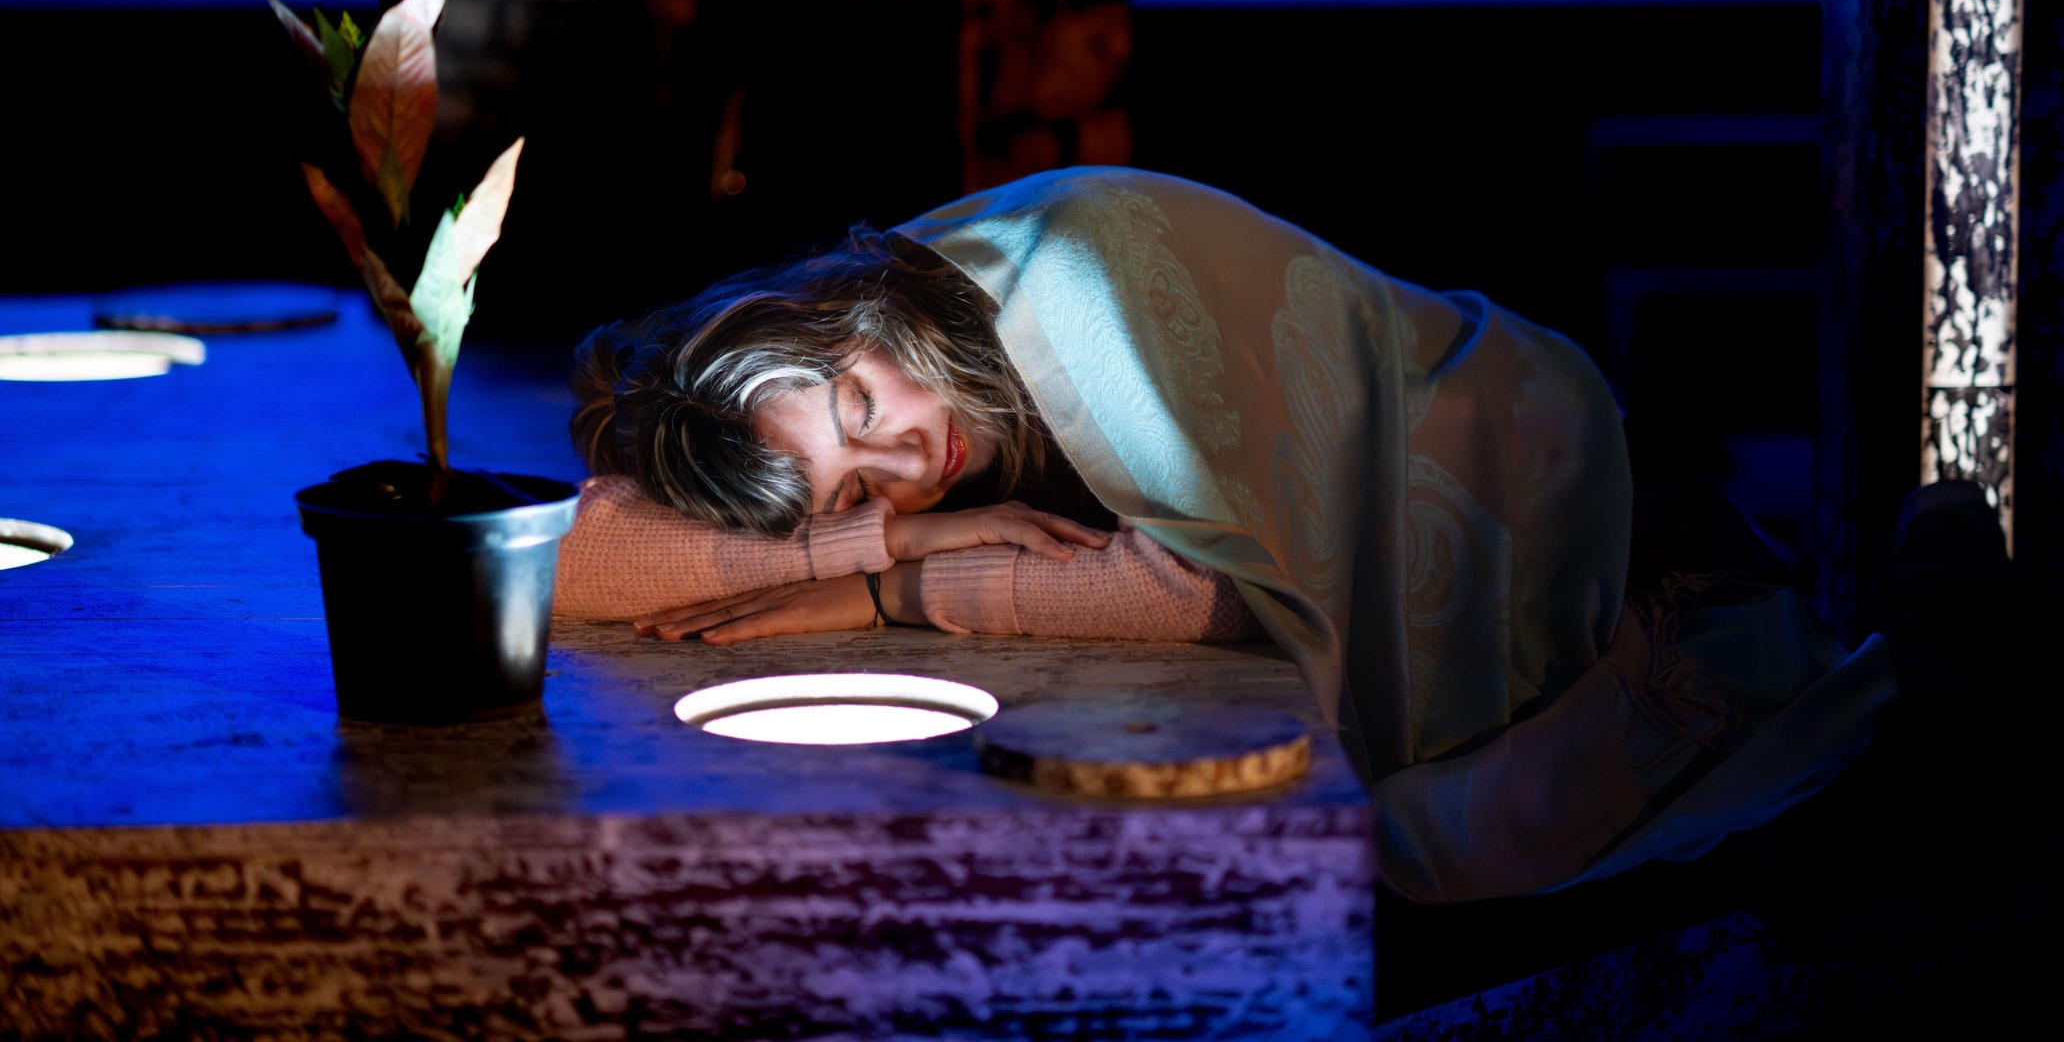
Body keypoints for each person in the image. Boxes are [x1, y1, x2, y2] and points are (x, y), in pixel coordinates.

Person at [559, 167, 1896, 902]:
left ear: (843, 314)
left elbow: (1213, 596)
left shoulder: (1066, 280)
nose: (907, 460)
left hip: (1603, 553)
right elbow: (582, 561)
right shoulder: (911, 359)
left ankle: (1931, 604)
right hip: (1573, 535)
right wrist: (870, 543)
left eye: (862, 403)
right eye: (856, 488)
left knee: (1388, 860)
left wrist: (888, 594)